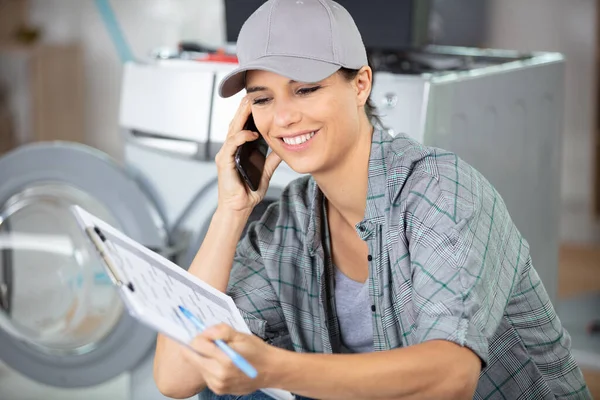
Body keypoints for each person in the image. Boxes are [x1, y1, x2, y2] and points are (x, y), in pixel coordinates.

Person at [153, 0, 592, 399]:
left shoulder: (440, 189)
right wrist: (231, 213)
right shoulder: (286, 223)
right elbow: (176, 377)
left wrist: (273, 368)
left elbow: (451, 377)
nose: (284, 117)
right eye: (263, 99)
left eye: (305, 89)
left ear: (360, 84)